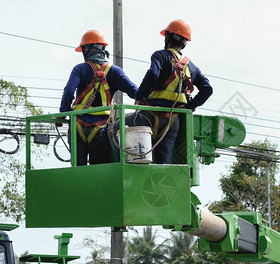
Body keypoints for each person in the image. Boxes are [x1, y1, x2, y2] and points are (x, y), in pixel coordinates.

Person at [128, 19, 213, 164]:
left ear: (168, 37)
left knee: (116, 127)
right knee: (164, 161)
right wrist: (190, 105)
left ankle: (126, 165)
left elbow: (153, 74)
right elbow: (207, 89)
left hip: (150, 115)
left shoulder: (160, 56)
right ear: (184, 43)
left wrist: (139, 97)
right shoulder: (191, 67)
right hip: (173, 121)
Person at [60, 30, 137, 166]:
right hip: (100, 129)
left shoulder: (80, 69)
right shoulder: (115, 71)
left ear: (87, 50)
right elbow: (135, 92)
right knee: (98, 171)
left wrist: (62, 114)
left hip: (77, 127)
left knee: (78, 173)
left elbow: (68, 92)